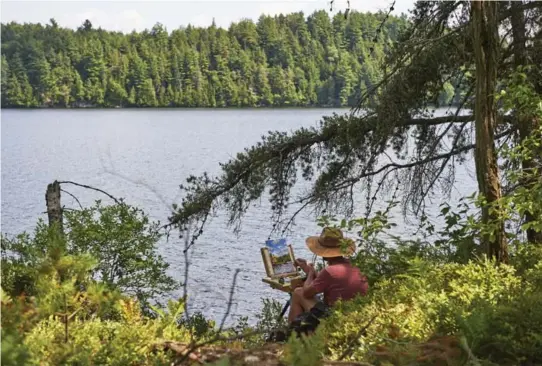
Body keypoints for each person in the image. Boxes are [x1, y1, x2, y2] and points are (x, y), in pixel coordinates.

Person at [288, 227, 368, 324]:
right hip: (357, 315)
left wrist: (309, 274)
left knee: (298, 292)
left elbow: (307, 293)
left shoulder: (329, 271)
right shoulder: (355, 265)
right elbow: (328, 282)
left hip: (335, 318)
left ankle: (292, 334)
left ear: (324, 252)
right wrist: (309, 270)